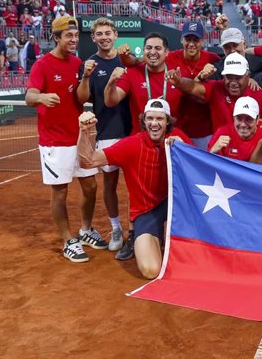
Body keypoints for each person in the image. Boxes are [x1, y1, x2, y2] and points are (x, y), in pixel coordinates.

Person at [77, 99, 192, 279]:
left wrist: (184, 150)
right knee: (150, 270)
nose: (154, 123)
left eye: (160, 119)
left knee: (192, 259)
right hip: (147, 210)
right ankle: (150, 237)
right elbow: (87, 161)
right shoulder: (131, 145)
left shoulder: (178, 137)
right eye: (150, 118)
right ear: (144, 121)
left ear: (168, 121)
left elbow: (200, 169)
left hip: (175, 206)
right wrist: (85, 132)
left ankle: (166, 237)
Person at [25, 15, 108, 263]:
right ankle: (67, 240)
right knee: (60, 192)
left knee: (91, 186)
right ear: (56, 38)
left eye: (75, 35)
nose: (73, 39)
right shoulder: (41, 65)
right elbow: (29, 97)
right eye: (68, 36)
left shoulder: (78, 63)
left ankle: (85, 230)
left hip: (79, 137)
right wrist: (41, 98)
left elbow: (82, 98)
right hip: (54, 142)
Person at [76, 17, 132, 257]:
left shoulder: (125, 61)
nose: (104, 37)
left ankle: (137, 229)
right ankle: (116, 228)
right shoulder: (89, 65)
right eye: (99, 34)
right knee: (109, 184)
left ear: (115, 35)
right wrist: (86, 76)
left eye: (108, 32)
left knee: (136, 184)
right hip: (107, 133)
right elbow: (81, 99)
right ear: (93, 38)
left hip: (132, 131)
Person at [166, 52, 262, 133]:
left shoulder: (258, 94)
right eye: (229, 77)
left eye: (238, 77)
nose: (233, 82)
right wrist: (178, 81)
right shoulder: (217, 88)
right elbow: (193, 87)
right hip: (221, 153)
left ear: (247, 76)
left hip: (249, 157)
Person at [105, 33, 184, 132]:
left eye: (158, 48)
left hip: (171, 140)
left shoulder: (177, 74)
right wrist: (112, 82)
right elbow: (110, 101)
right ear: (143, 51)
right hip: (140, 139)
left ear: (166, 52)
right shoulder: (132, 72)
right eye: (148, 48)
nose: (152, 52)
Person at [164, 20, 220, 150]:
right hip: (178, 128)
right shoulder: (171, 57)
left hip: (204, 129)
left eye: (196, 40)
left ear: (202, 42)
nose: (191, 44)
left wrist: (250, 77)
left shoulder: (212, 58)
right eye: (188, 39)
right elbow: (149, 60)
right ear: (181, 40)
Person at [208, 96, 262, 163]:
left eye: (249, 119)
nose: (243, 124)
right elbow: (206, 165)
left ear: (257, 119)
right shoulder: (222, 132)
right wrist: (212, 152)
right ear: (234, 118)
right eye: (239, 118)